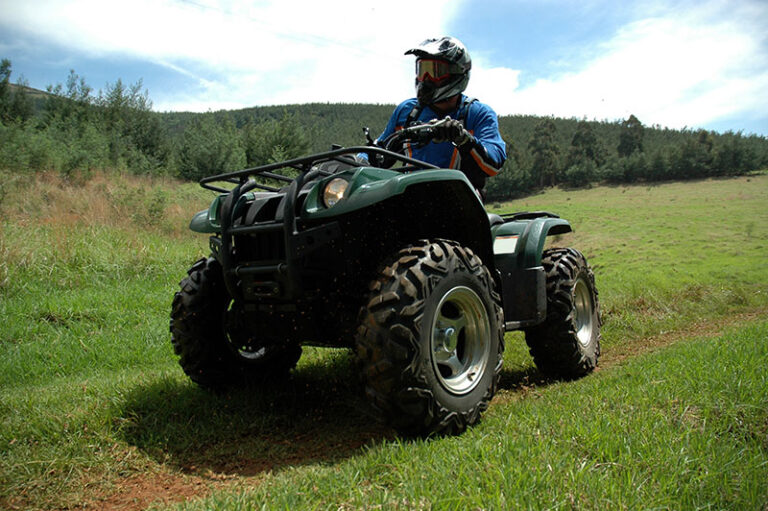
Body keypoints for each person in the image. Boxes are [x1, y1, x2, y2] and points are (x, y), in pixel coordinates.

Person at [369, 36, 506, 194]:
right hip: (410, 197)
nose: (426, 79)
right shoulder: (408, 111)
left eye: (435, 71)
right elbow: (381, 151)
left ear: (457, 73)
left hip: (461, 200)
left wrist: (463, 138)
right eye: (422, 71)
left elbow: (493, 164)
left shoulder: (478, 113)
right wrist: (357, 158)